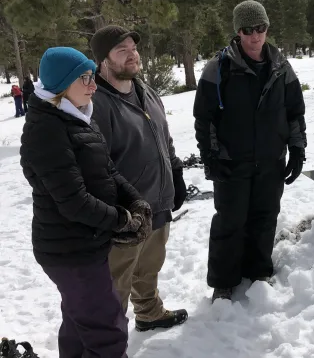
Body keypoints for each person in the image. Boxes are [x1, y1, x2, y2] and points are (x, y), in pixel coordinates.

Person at [20, 47, 153, 358]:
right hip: (69, 251)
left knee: (80, 323)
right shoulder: (47, 130)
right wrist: (121, 220)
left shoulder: (77, 117)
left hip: (84, 244)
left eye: (92, 76)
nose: (93, 85)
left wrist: (135, 200)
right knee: (106, 331)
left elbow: (107, 170)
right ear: (62, 84)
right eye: (84, 78)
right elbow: (73, 201)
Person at [193, 0, 307, 302]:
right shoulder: (219, 68)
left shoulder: (282, 66)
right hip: (233, 161)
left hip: (271, 159)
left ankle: (258, 271)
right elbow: (205, 119)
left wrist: (297, 148)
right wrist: (210, 156)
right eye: (248, 30)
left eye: (261, 28)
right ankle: (224, 281)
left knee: (265, 216)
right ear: (238, 32)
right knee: (230, 220)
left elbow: (295, 111)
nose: (255, 36)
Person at [90, 25, 188, 332]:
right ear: (103, 61)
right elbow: (96, 165)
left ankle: (148, 312)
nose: (132, 55)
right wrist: (118, 211)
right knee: (115, 283)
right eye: (122, 51)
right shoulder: (96, 103)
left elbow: (164, 136)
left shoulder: (144, 89)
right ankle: (108, 341)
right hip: (126, 215)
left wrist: (175, 170)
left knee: (149, 267)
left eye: (133, 48)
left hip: (157, 203)